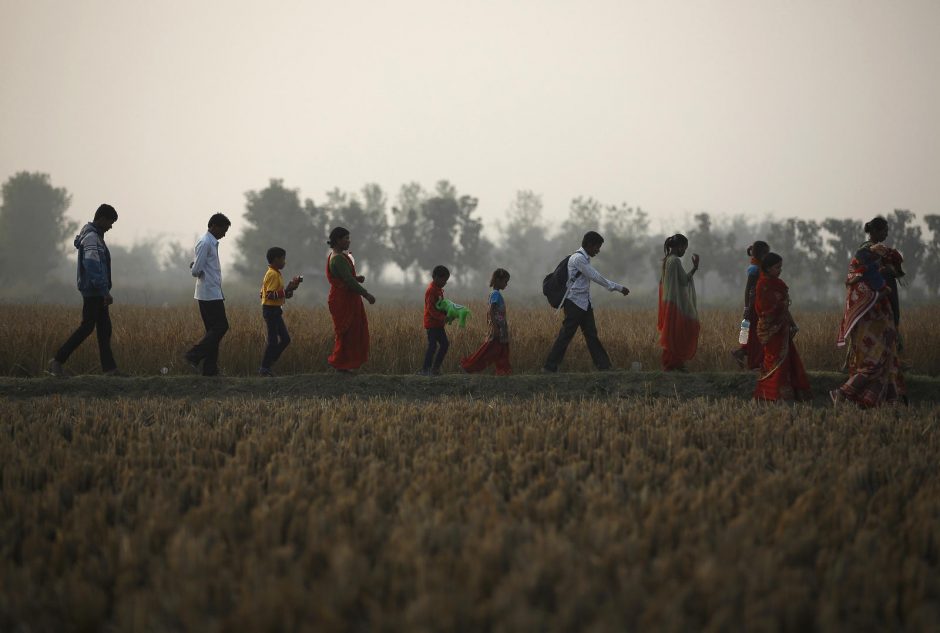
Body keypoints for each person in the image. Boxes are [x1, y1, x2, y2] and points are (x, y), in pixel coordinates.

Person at [832, 217, 906, 407]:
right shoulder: (869, 256)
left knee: (884, 359)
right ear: (875, 231)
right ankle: (842, 393)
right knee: (875, 361)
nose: (887, 234)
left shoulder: (878, 258)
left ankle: (873, 401)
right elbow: (871, 279)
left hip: (879, 315)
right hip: (872, 317)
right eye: (884, 230)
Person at [48, 204, 122, 377]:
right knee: (87, 328)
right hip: (94, 291)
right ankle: (57, 361)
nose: (111, 226)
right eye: (111, 222)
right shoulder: (91, 238)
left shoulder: (94, 236)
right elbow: (92, 265)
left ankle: (110, 369)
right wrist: (104, 291)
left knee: (105, 329)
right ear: (102, 219)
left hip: (96, 290)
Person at [542, 231, 630, 373]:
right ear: (589, 245)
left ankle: (604, 366)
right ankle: (549, 366)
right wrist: (617, 287)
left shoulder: (583, 258)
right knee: (566, 335)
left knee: (591, 335)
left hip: (584, 304)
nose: (598, 251)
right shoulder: (578, 259)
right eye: (597, 247)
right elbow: (595, 276)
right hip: (574, 303)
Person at [753, 253, 811, 402]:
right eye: (777, 267)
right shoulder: (762, 285)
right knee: (773, 360)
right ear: (767, 268)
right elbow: (763, 308)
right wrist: (778, 305)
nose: (780, 270)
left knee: (786, 361)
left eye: (781, 267)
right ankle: (771, 394)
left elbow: (784, 308)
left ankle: (786, 394)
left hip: (782, 329)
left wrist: (792, 323)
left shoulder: (779, 284)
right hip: (771, 330)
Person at [184, 213, 231, 376]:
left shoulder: (211, 243)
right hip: (209, 293)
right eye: (223, 230)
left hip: (212, 292)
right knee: (221, 327)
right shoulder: (205, 243)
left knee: (213, 332)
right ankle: (194, 355)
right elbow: (196, 270)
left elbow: (198, 266)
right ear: (214, 227)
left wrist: (195, 265)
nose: (224, 234)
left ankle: (210, 370)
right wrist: (194, 266)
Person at [326, 227, 375, 372]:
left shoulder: (337, 256)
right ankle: (341, 364)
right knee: (348, 333)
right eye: (346, 238)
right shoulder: (338, 259)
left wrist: (356, 278)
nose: (349, 241)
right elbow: (348, 281)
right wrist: (366, 294)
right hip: (343, 301)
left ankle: (344, 365)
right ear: (337, 240)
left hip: (345, 299)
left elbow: (346, 277)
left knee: (351, 332)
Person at [657, 234, 700, 371]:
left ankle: (674, 363)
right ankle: (675, 363)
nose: (684, 251)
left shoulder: (667, 260)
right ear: (679, 247)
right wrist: (695, 268)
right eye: (685, 248)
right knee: (685, 329)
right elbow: (683, 280)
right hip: (676, 304)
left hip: (668, 302)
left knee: (672, 334)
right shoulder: (675, 261)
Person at [258, 246, 302, 377]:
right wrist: (286, 290)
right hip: (271, 311)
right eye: (283, 259)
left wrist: (290, 290)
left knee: (285, 339)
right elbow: (270, 295)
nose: (284, 262)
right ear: (276, 260)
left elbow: (265, 293)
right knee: (273, 341)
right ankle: (265, 367)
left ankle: (268, 364)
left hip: (275, 310)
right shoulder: (272, 274)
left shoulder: (275, 273)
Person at [461, 268, 512, 375]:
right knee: (488, 352)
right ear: (498, 280)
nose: (506, 284)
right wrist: (495, 328)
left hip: (500, 328)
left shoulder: (494, 294)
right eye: (505, 282)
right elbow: (491, 310)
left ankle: (503, 371)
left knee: (502, 350)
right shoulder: (496, 294)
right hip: (498, 328)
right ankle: (470, 367)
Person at [731, 240, 769, 370]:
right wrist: (746, 307)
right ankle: (755, 364)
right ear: (761, 254)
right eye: (766, 254)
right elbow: (748, 290)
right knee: (756, 335)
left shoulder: (760, 267)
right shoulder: (754, 269)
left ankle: (741, 353)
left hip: (760, 304)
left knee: (755, 334)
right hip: (754, 306)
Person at [418, 265, 450, 376]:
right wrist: (442, 317)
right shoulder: (431, 291)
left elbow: (441, 305)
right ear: (435, 277)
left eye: (446, 280)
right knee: (432, 346)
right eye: (444, 279)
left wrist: (448, 312)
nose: (445, 282)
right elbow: (430, 309)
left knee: (445, 344)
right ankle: (425, 369)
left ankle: (435, 368)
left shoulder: (439, 290)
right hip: (431, 324)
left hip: (438, 324)